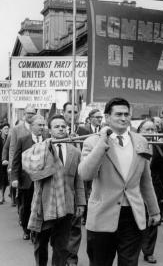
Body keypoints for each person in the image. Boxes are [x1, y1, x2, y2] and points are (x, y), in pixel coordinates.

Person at [79, 97, 160, 266]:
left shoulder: (140, 141)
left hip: (132, 215)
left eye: (126, 114)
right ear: (107, 117)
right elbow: (85, 174)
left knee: (130, 263)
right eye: (118, 114)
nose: (124, 118)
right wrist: (102, 144)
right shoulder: (92, 142)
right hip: (102, 215)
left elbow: (145, 180)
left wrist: (154, 210)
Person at [28, 114, 86, 266]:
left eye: (63, 126)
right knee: (41, 243)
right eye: (56, 126)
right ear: (49, 129)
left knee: (61, 246)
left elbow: (78, 180)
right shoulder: (40, 149)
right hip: (44, 204)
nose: (61, 129)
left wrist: (80, 203)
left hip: (66, 206)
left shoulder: (75, 152)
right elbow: (32, 171)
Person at [11, 115, 46, 240]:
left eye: (43, 125)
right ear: (31, 126)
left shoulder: (48, 140)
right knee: (26, 207)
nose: (42, 127)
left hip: (43, 180)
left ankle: (37, 231)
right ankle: (26, 229)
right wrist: (14, 178)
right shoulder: (23, 140)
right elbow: (16, 161)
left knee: (40, 207)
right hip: (27, 181)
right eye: (39, 125)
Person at [138, 119, 163, 264]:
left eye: (152, 129)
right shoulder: (133, 145)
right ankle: (135, 247)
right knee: (135, 220)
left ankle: (149, 252)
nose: (150, 132)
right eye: (147, 129)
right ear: (140, 130)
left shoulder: (159, 147)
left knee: (153, 220)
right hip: (135, 189)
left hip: (155, 189)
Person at [62, 101, 87, 266]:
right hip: (60, 186)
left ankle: (71, 257)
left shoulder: (84, 132)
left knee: (75, 225)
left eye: (75, 112)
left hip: (80, 181)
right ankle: (60, 253)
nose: (73, 115)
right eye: (69, 112)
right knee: (59, 228)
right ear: (63, 113)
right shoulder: (57, 130)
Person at [0, 123, 10, 204]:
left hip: (7, 162)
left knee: (4, 180)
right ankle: (1, 196)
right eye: (5, 128)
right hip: (0, 162)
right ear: (1, 130)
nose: (7, 130)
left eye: (8, 128)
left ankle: (2, 196)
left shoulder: (9, 139)